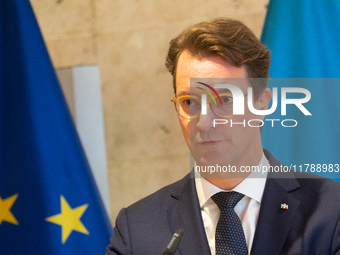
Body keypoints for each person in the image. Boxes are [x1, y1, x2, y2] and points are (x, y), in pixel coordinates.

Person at [106, 18, 340, 255]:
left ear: (262, 104)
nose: (205, 123)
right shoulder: (136, 230)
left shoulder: (331, 212)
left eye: (226, 99)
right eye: (189, 102)